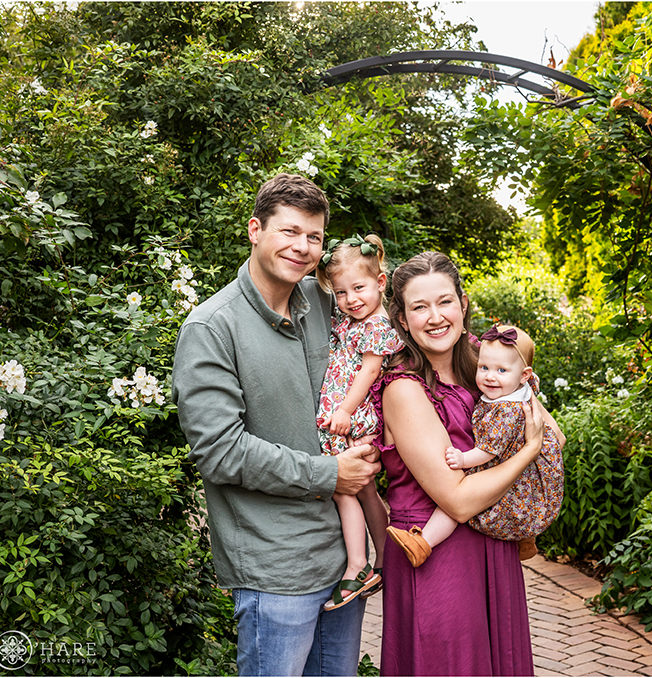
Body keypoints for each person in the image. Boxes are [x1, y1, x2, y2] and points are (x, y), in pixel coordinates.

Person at [171, 174, 381, 677]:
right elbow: (220, 452)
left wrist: (511, 387)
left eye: (314, 236)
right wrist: (329, 475)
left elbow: (400, 333)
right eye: (289, 232)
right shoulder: (211, 328)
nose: (303, 247)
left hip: (343, 562)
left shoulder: (329, 304)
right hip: (275, 568)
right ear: (255, 230)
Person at [370, 250, 558, 676]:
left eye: (444, 302)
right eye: (419, 307)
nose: (435, 317)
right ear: (402, 321)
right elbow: (455, 501)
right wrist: (528, 450)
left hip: (492, 544)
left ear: (464, 304)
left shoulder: (483, 368)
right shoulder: (404, 389)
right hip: (433, 554)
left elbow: (547, 427)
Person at [385, 323, 564, 567]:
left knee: (457, 500)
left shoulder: (506, 409)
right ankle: (525, 538)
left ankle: (424, 542)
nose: (490, 376)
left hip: (498, 462)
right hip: (521, 473)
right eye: (484, 367)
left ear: (524, 375)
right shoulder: (519, 390)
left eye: (501, 370)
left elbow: (489, 450)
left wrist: (463, 459)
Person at [314, 234, 403, 610]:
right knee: (364, 490)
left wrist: (346, 411)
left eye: (359, 288)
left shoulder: (377, 325)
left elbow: (368, 372)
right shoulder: (354, 317)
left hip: (352, 418)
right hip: (344, 418)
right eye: (341, 292)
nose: (351, 299)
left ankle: (358, 562)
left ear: (381, 283)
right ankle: (384, 561)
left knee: (344, 489)